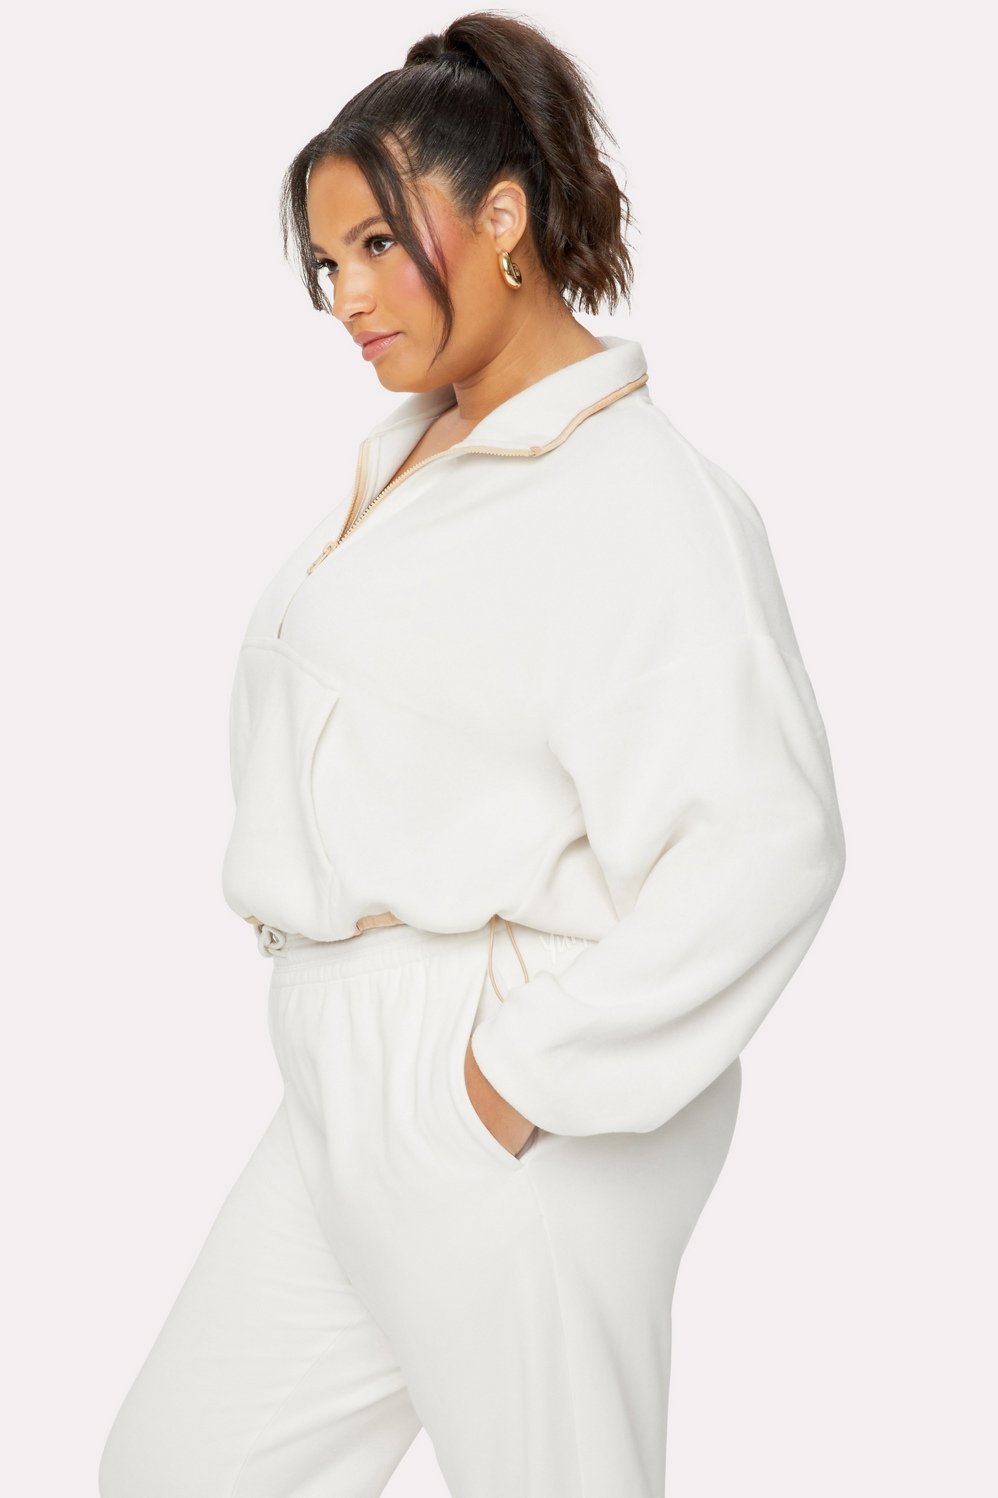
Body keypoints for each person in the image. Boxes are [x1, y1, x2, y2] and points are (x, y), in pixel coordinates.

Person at [97, 12, 846, 1497]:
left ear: (503, 216)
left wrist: (514, 1078)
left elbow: (768, 842)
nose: (346, 298)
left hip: (499, 1075)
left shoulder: (636, 495)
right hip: (344, 1066)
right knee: (178, 1465)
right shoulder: (417, 458)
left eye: (380, 244)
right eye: (329, 264)